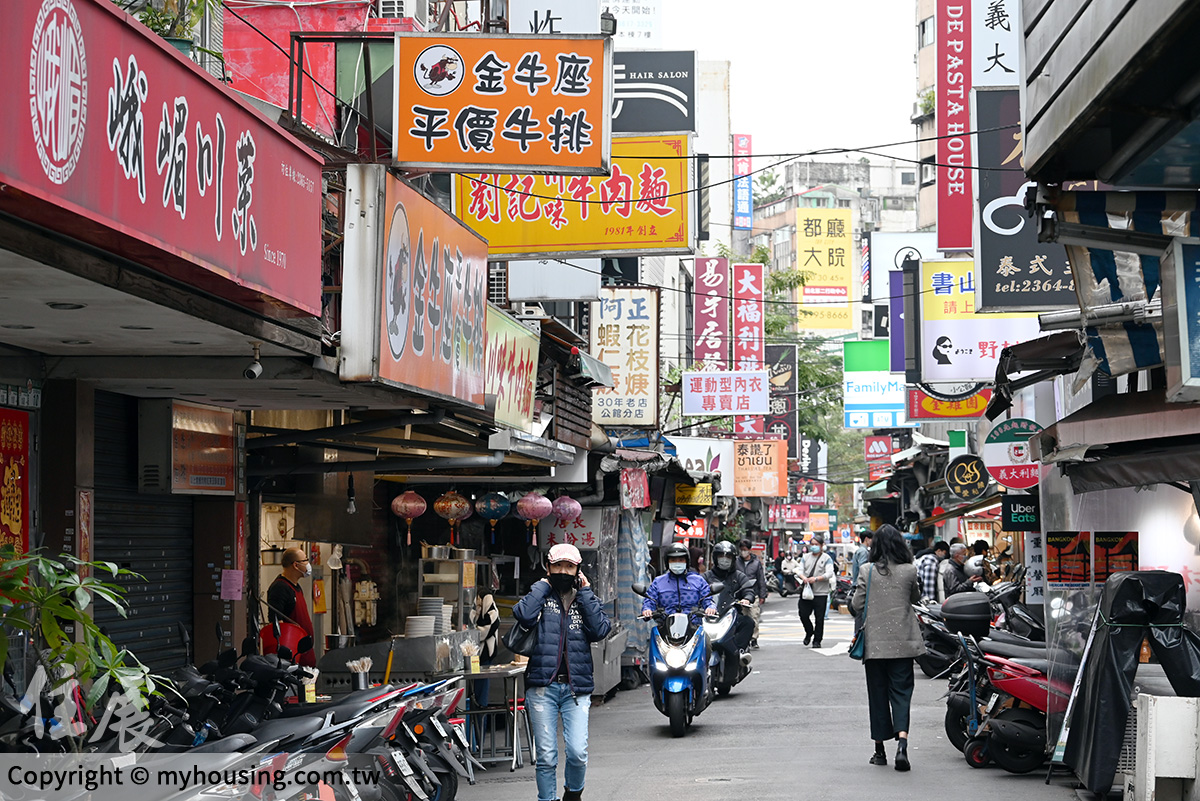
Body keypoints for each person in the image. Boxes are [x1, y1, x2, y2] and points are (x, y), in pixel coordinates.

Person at [513, 544, 612, 801]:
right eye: (558, 565)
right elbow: (523, 616)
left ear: (578, 570)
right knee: (546, 756)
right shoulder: (541, 595)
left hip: (575, 689)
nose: (563, 571)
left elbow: (601, 630)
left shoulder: (584, 598)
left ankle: (573, 794)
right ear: (548, 567)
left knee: (577, 752)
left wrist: (587, 592)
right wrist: (543, 585)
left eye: (569, 566)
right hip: (542, 687)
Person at [849, 524, 925, 772]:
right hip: (903, 644)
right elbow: (915, 599)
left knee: (878, 696)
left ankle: (879, 751)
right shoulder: (910, 570)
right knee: (902, 694)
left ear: (875, 545)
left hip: (875, 647)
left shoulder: (866, 570)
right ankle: (902, 744)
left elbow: (857, 604)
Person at [266, 547, 317, 667]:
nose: (308, 564)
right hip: (293, 658)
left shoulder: (296, 586)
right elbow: (277, 622)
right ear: (296, 565)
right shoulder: (280, 588)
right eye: (305, 560)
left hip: (305, 654)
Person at [642, 542, 716, 623]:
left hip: (693, 627)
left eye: (681, 560)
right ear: (667, 562)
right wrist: (647, 610)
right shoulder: (658, 582)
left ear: (686, 562)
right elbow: (650, 600)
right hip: (665, 627)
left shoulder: (698, 580)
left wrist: (710, 607)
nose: (677, 563)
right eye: (673, 560)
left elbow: (707, 599)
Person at [703, 541, 756, 651]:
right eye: (721, 556)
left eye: (728, 556)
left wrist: (747, 599)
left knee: (748, 622)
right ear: (715, 558)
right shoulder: (705, 577)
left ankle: (739, 651)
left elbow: (748, 590)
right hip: (708, 616)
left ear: (733, 559)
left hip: (732, 615)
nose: (724, 559)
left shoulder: (739, 576)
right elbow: (695, 592)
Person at [796, 535, 835, 648]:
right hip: (806, 591)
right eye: (812, 544)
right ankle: (809, 631)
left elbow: (829, 573)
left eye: (816, 544)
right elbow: (799, 570)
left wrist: (817, 579)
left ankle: (817, 640)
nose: (814, 547)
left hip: (821, 593)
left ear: (822, 546)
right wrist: (803, 577)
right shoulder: (805, 557)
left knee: (819, 618)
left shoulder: (826, 558)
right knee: (803, 614)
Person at [736, 540, 767, 648]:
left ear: (749, 550)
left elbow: (761, 579)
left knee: (754, 616)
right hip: (740, 595)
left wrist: (763, 594)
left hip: (754, 594)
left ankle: (754, 638)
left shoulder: (756, 562)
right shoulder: (736, 562)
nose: (743, 552)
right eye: (741, 550)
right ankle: (745, 639)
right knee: (743, 618)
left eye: (745, 550)